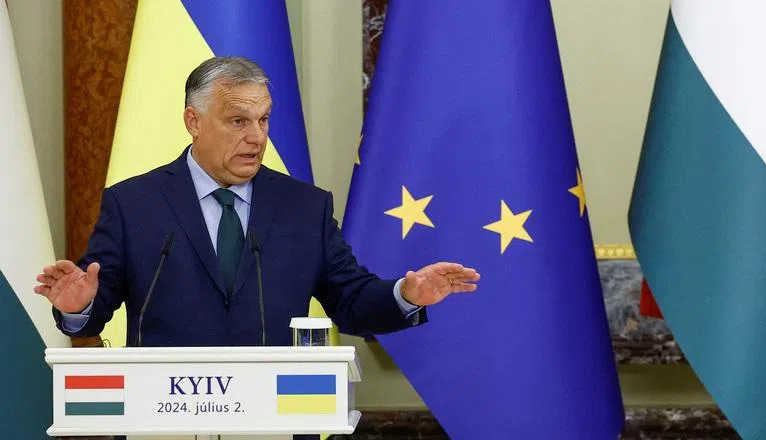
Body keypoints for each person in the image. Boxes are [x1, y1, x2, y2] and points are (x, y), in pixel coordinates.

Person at [35, 56, 479, 348]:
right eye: (238, 120)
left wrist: (406, 294)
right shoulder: (134, 204)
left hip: (277, 421)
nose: (257, 136)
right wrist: (79, 306)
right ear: (194, 121)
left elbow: (351, 300)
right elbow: (94, 313)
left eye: (263, 119)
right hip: (164, 421)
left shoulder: (304, 208)